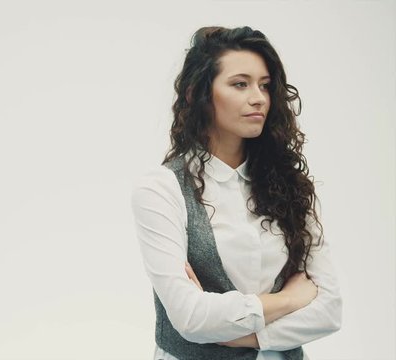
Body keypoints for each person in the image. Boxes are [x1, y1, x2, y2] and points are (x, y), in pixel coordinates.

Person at [130, 26, 342, 360]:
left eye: (265, 85)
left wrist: (243, 338)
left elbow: (329, 311)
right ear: (195, 94)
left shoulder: (290, 186)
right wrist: (288, 300)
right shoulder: (161, 189)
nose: (258, 97)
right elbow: (189, 318)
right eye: (239, 84)